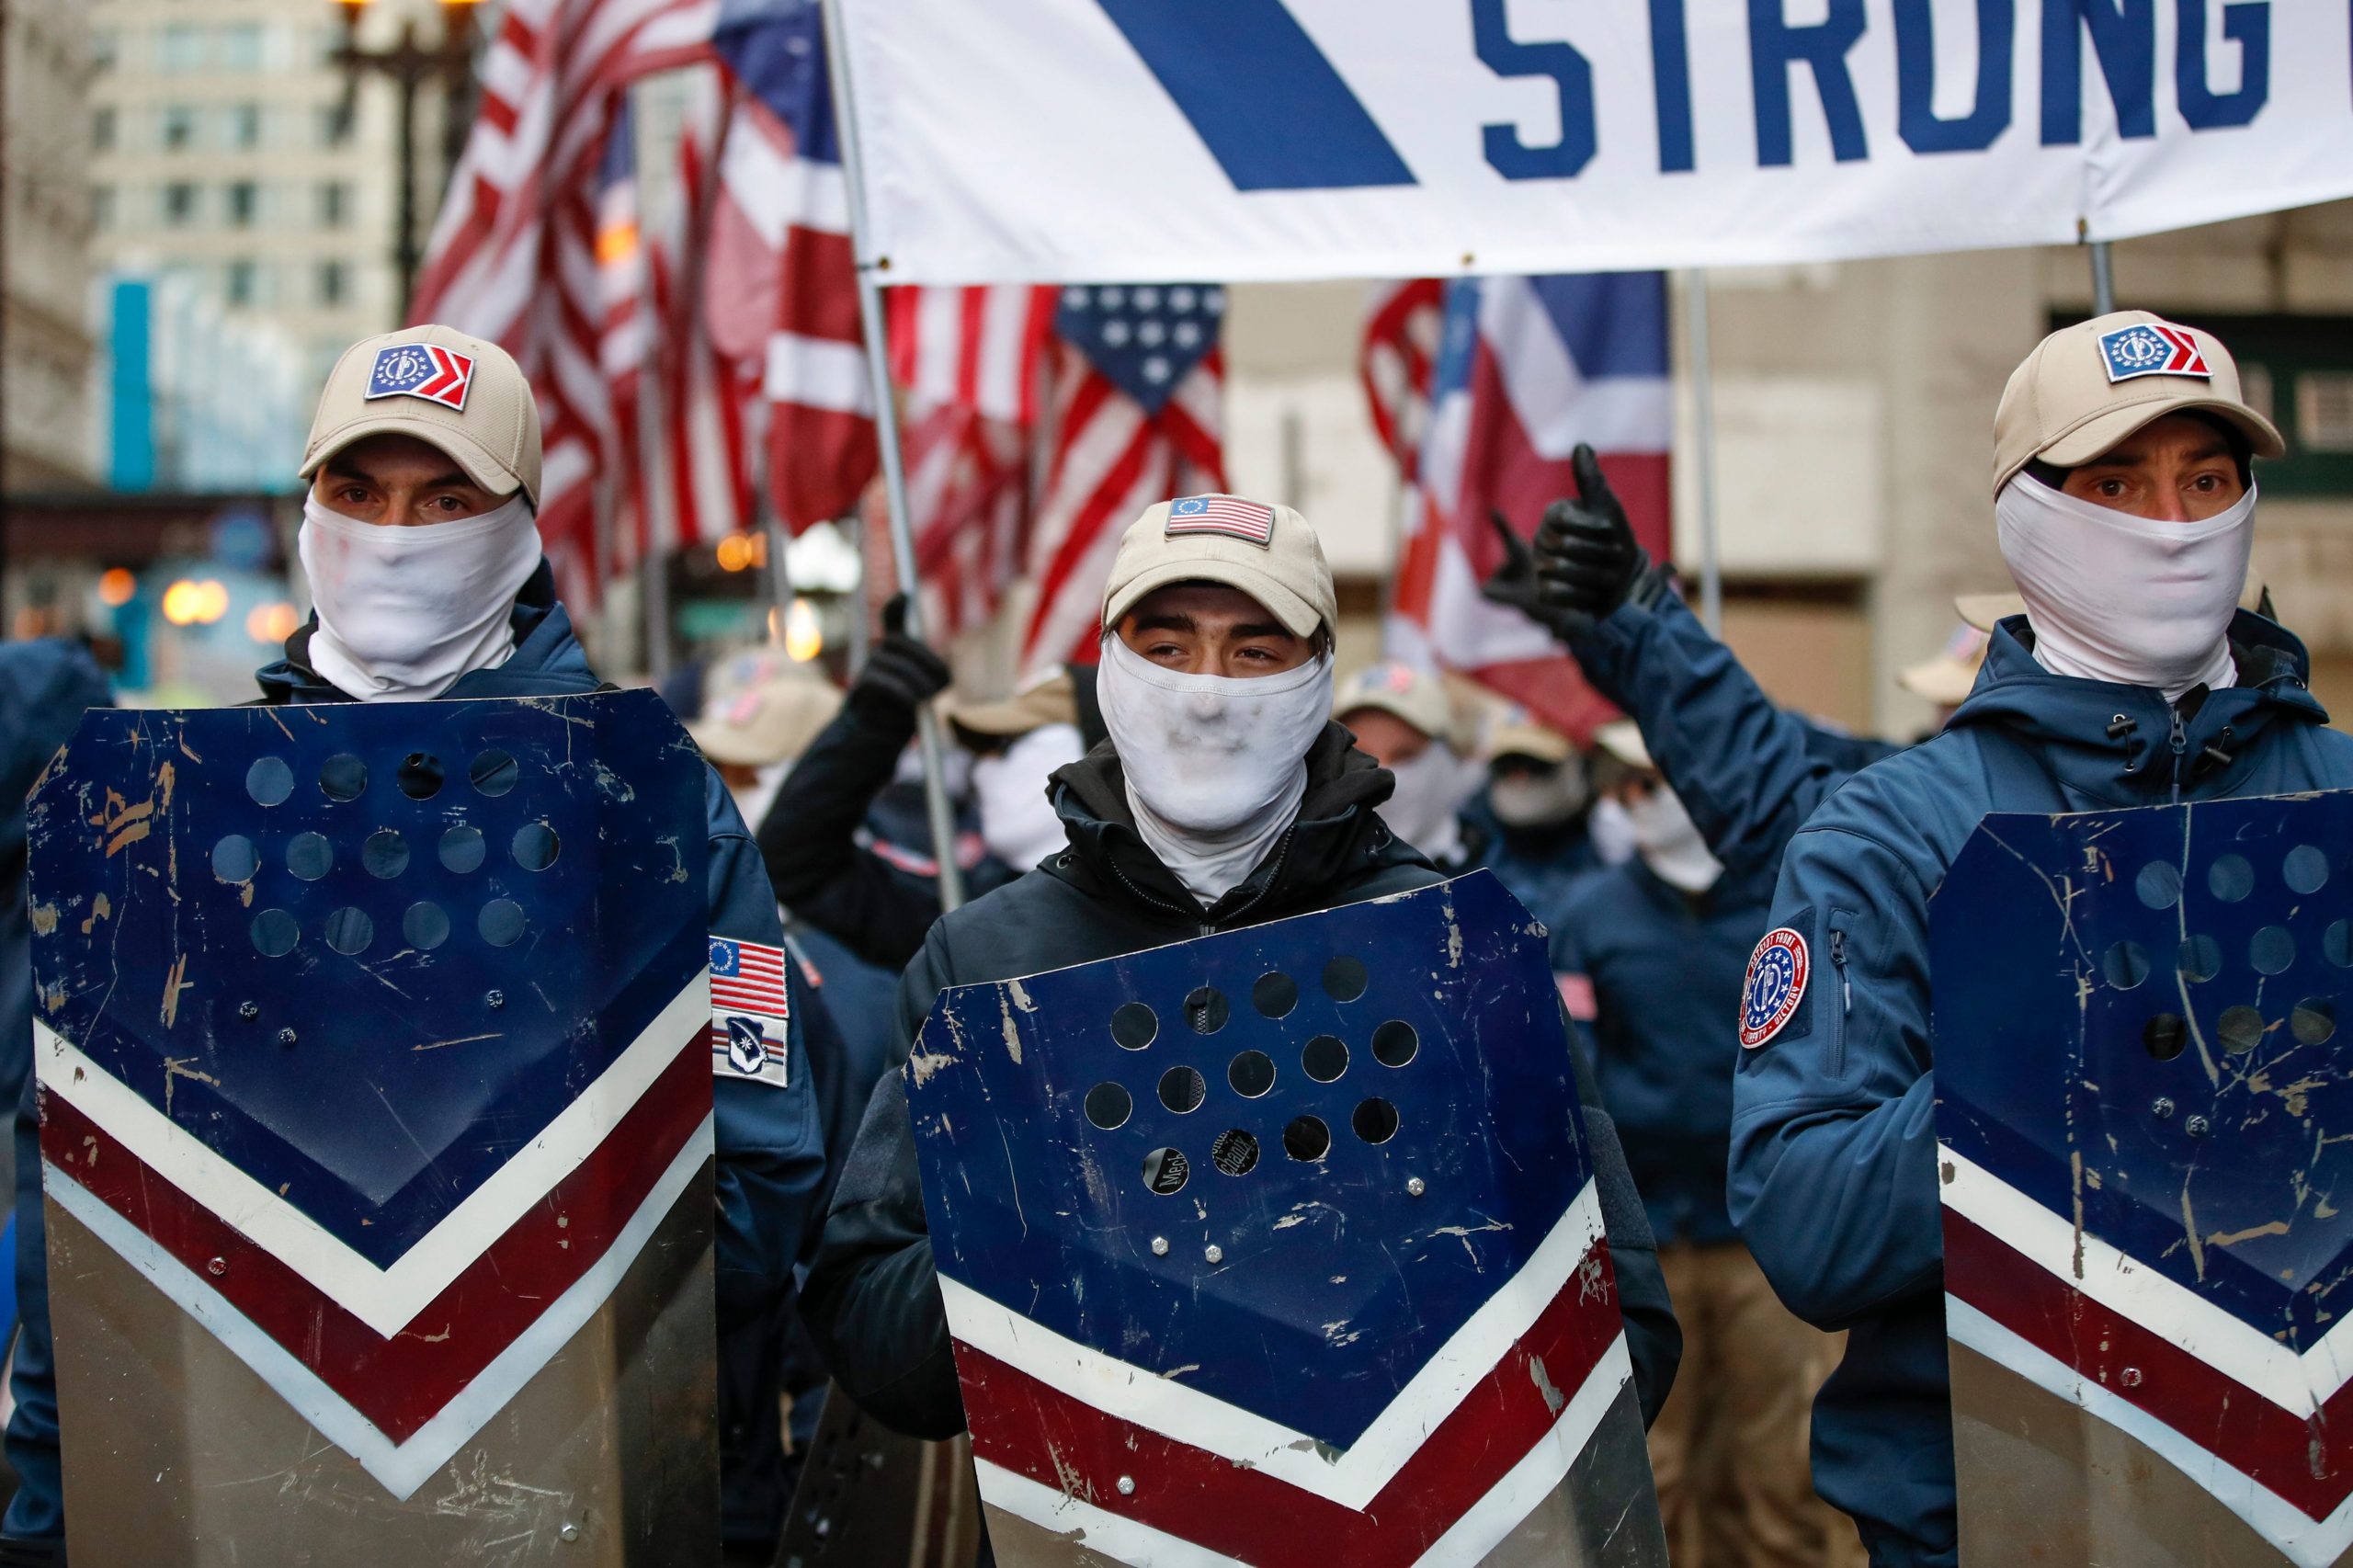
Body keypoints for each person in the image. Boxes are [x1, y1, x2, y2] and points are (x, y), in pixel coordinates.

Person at [0, 327, 832, 1565]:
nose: (396, 530)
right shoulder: (180, 811)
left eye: (447, 495)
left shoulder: (648, 806)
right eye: (358, 489)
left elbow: (758, 1190)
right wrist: (42, 1512)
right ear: (309, 508)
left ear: (519, 522)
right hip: (235, 1499)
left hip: (565, 1496)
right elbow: (78, 1204)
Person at [800, 493, 1679, 1449]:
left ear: (1318, 676)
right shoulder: (980, 966)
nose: (1208, 692)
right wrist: (1063, 1249)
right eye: (1168, 648)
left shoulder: (1453, 952)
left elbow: (1625, 1330)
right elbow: (869, 1328)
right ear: (1108, 666)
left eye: (1255, 651)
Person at [1727, 311, 2350, 1567]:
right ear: (2026, 514)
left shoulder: (2337, 792)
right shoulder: (1892, 834)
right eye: (2118, 480)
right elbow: (1806, 1222)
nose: (2172, 521)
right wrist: (2061, 1055)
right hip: (2001, 1519)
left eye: (2208, 479)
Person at [1555, 722, 1855, 1567]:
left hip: (1769, 1238)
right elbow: (1576, 1072)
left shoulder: (1787, 902)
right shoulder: (1591, 914)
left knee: (1783, 1463)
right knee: (1654, 1462)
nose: (1648, 802)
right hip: (1647, 1237)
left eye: (1664, 781)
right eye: (1632, 786)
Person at [1330, 660, 1482, 869]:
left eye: (1405, 756)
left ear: (1450, 760)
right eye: (1362, 755)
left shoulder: (1505, 881)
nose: (1382, 774)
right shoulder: (1303, 878)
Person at [1461, 708, 1610, 908]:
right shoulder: (1465, 845)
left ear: (1578, 766)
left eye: (1536, 765)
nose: (1520, 778)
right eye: (1507, 764)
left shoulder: (1613, 841)